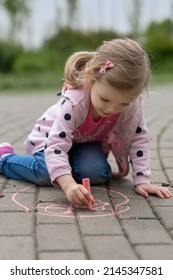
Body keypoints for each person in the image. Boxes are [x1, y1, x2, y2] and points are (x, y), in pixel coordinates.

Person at [0, 38, 172, 208]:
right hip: (50, 140)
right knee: (46, 174)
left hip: (85, 143)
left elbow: (138, 138)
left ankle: (64, 166)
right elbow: (56, 145)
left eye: (123, 104)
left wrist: (142, 180)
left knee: (98, 174)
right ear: (91, 79)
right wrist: (68, 185)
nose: (111, 109)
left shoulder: (132, 105)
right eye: (105, 99)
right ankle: (5, 158)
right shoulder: (74, 102)